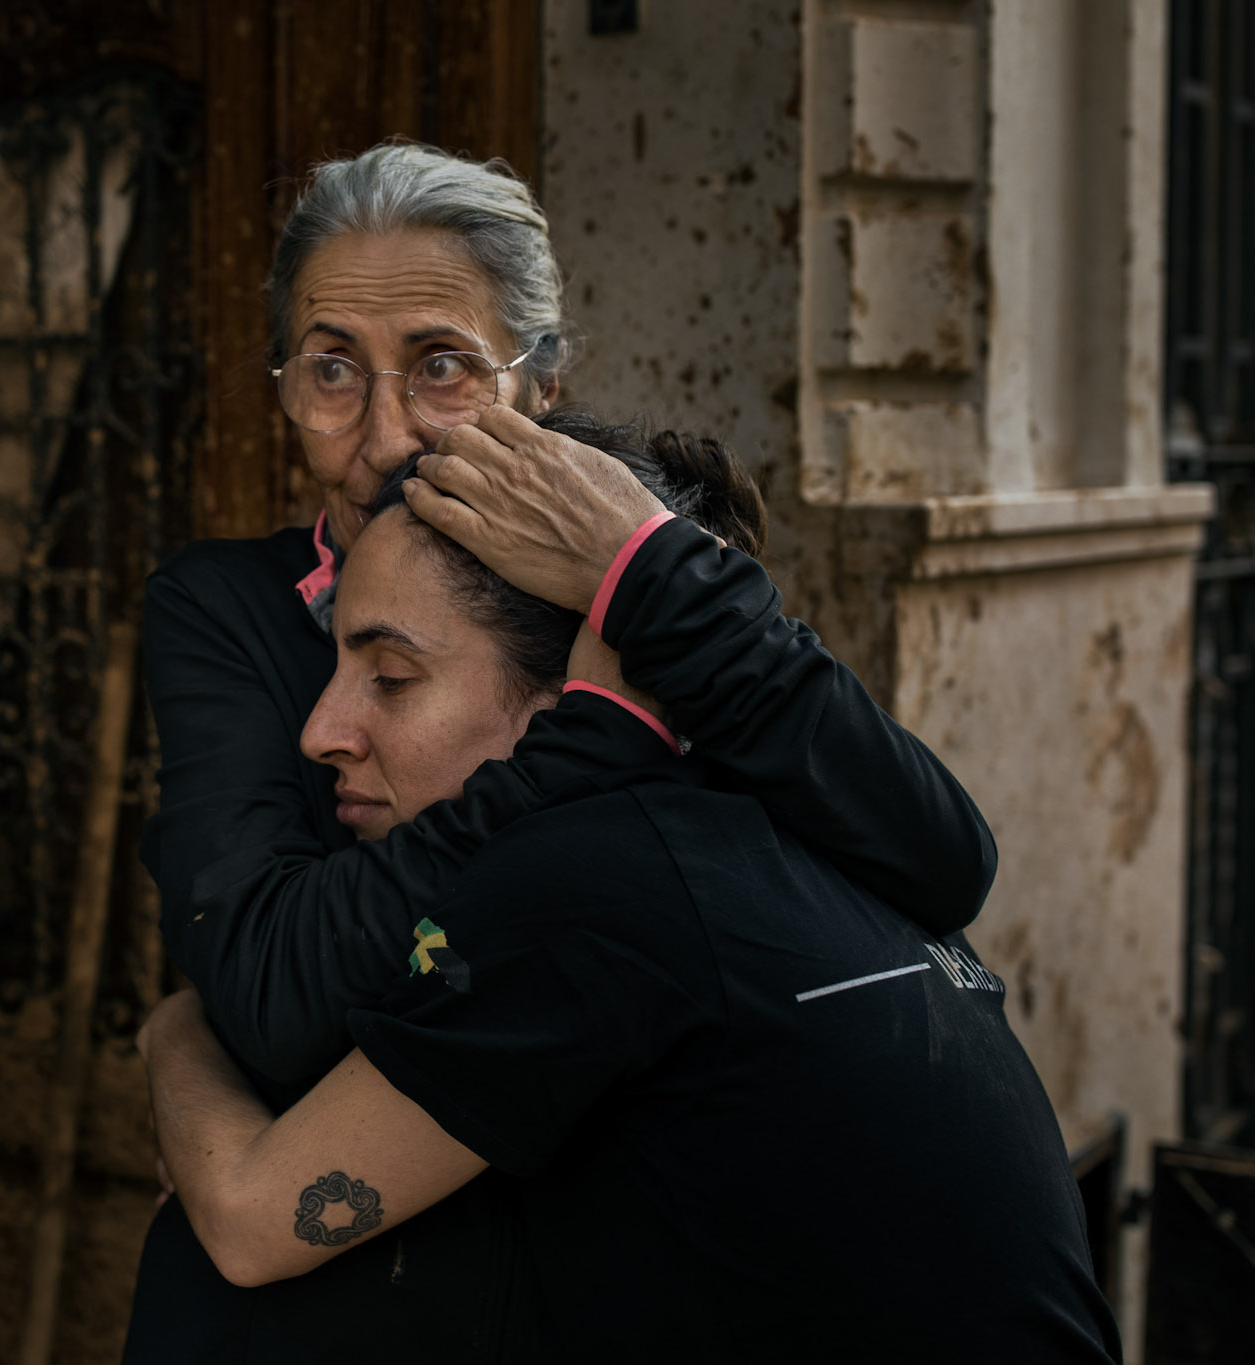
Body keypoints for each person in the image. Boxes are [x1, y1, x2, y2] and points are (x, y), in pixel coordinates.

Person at [124, 143, 996, 1358]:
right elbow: (274, 994)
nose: (380, 438)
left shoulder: (630, 602)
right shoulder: (224, 605)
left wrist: (647, 572)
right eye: (330, 370)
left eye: (440, 368)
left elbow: (936, 861)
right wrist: (596, 740)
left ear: (539, 385)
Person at [137, 416, 1123, 1363]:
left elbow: (250, 1221)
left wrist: (178, 1029)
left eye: (390, 676)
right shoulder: (769, 819)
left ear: (575, 688)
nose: (320, 732)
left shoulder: (595, 884)